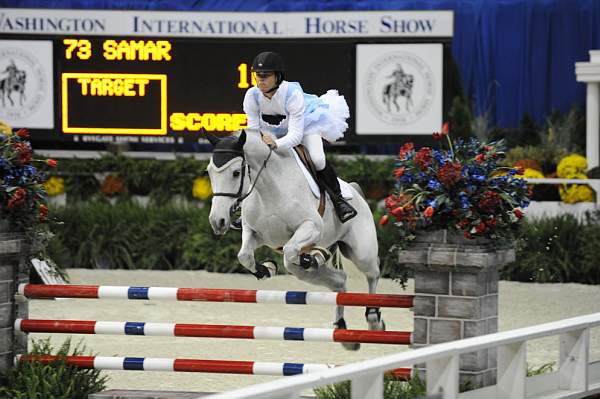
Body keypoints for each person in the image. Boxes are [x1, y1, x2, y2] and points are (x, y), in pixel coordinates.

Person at [242, 51, 357, 223]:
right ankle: (243, 207)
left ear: (278, 77)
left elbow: (295, 136)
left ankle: (339, 200)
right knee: (250, 161)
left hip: (306, 126)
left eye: (265, 76)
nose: (260, 80)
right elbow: (253, 130)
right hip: (274, 131)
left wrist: (275, 144)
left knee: (317, 159)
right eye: (258, 76)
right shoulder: (251, 95)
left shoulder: (292, 94)